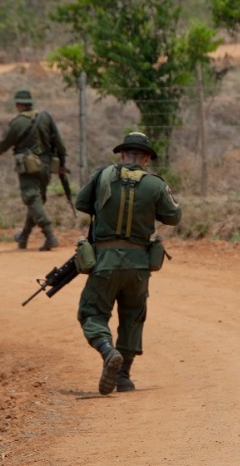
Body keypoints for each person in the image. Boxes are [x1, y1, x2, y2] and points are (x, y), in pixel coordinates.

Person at [74, 132, 181, 395]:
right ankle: (123, 376)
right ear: (146, 158)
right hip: (139, 264)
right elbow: (174, 216)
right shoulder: (155, 184)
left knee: (92, 312)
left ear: (122, 155)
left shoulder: (102, 176)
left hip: (104, 262)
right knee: (133, 317)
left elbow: (81, 203)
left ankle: (107, 350)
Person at [0, 89, 67, 251]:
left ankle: (49, 236)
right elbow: (59, 143)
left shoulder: (18, 122)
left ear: (18, 105)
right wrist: (61, 163)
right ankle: (24, 237)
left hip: (29, 166)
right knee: (37, 201)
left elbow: (4, 143)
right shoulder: (46, 117)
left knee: (32, 199)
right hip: (47, 165)